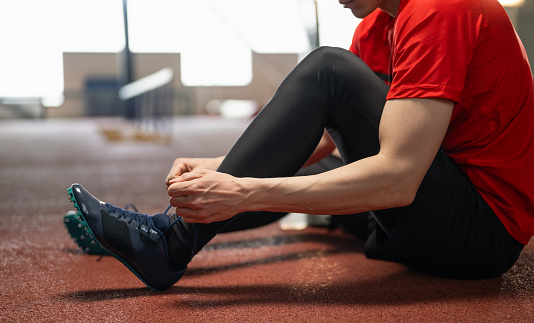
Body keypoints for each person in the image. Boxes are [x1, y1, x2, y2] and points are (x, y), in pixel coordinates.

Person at [68, 0, 534, 292]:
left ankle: (169, 243)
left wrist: (245, 191)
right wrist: (222, 168)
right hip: (416, 220)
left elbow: (398, 177)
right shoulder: (376, 28)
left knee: (328, 69)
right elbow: (333, 141)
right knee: (313, 169)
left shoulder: (442, 9)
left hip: (481, 237)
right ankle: (151, 232)